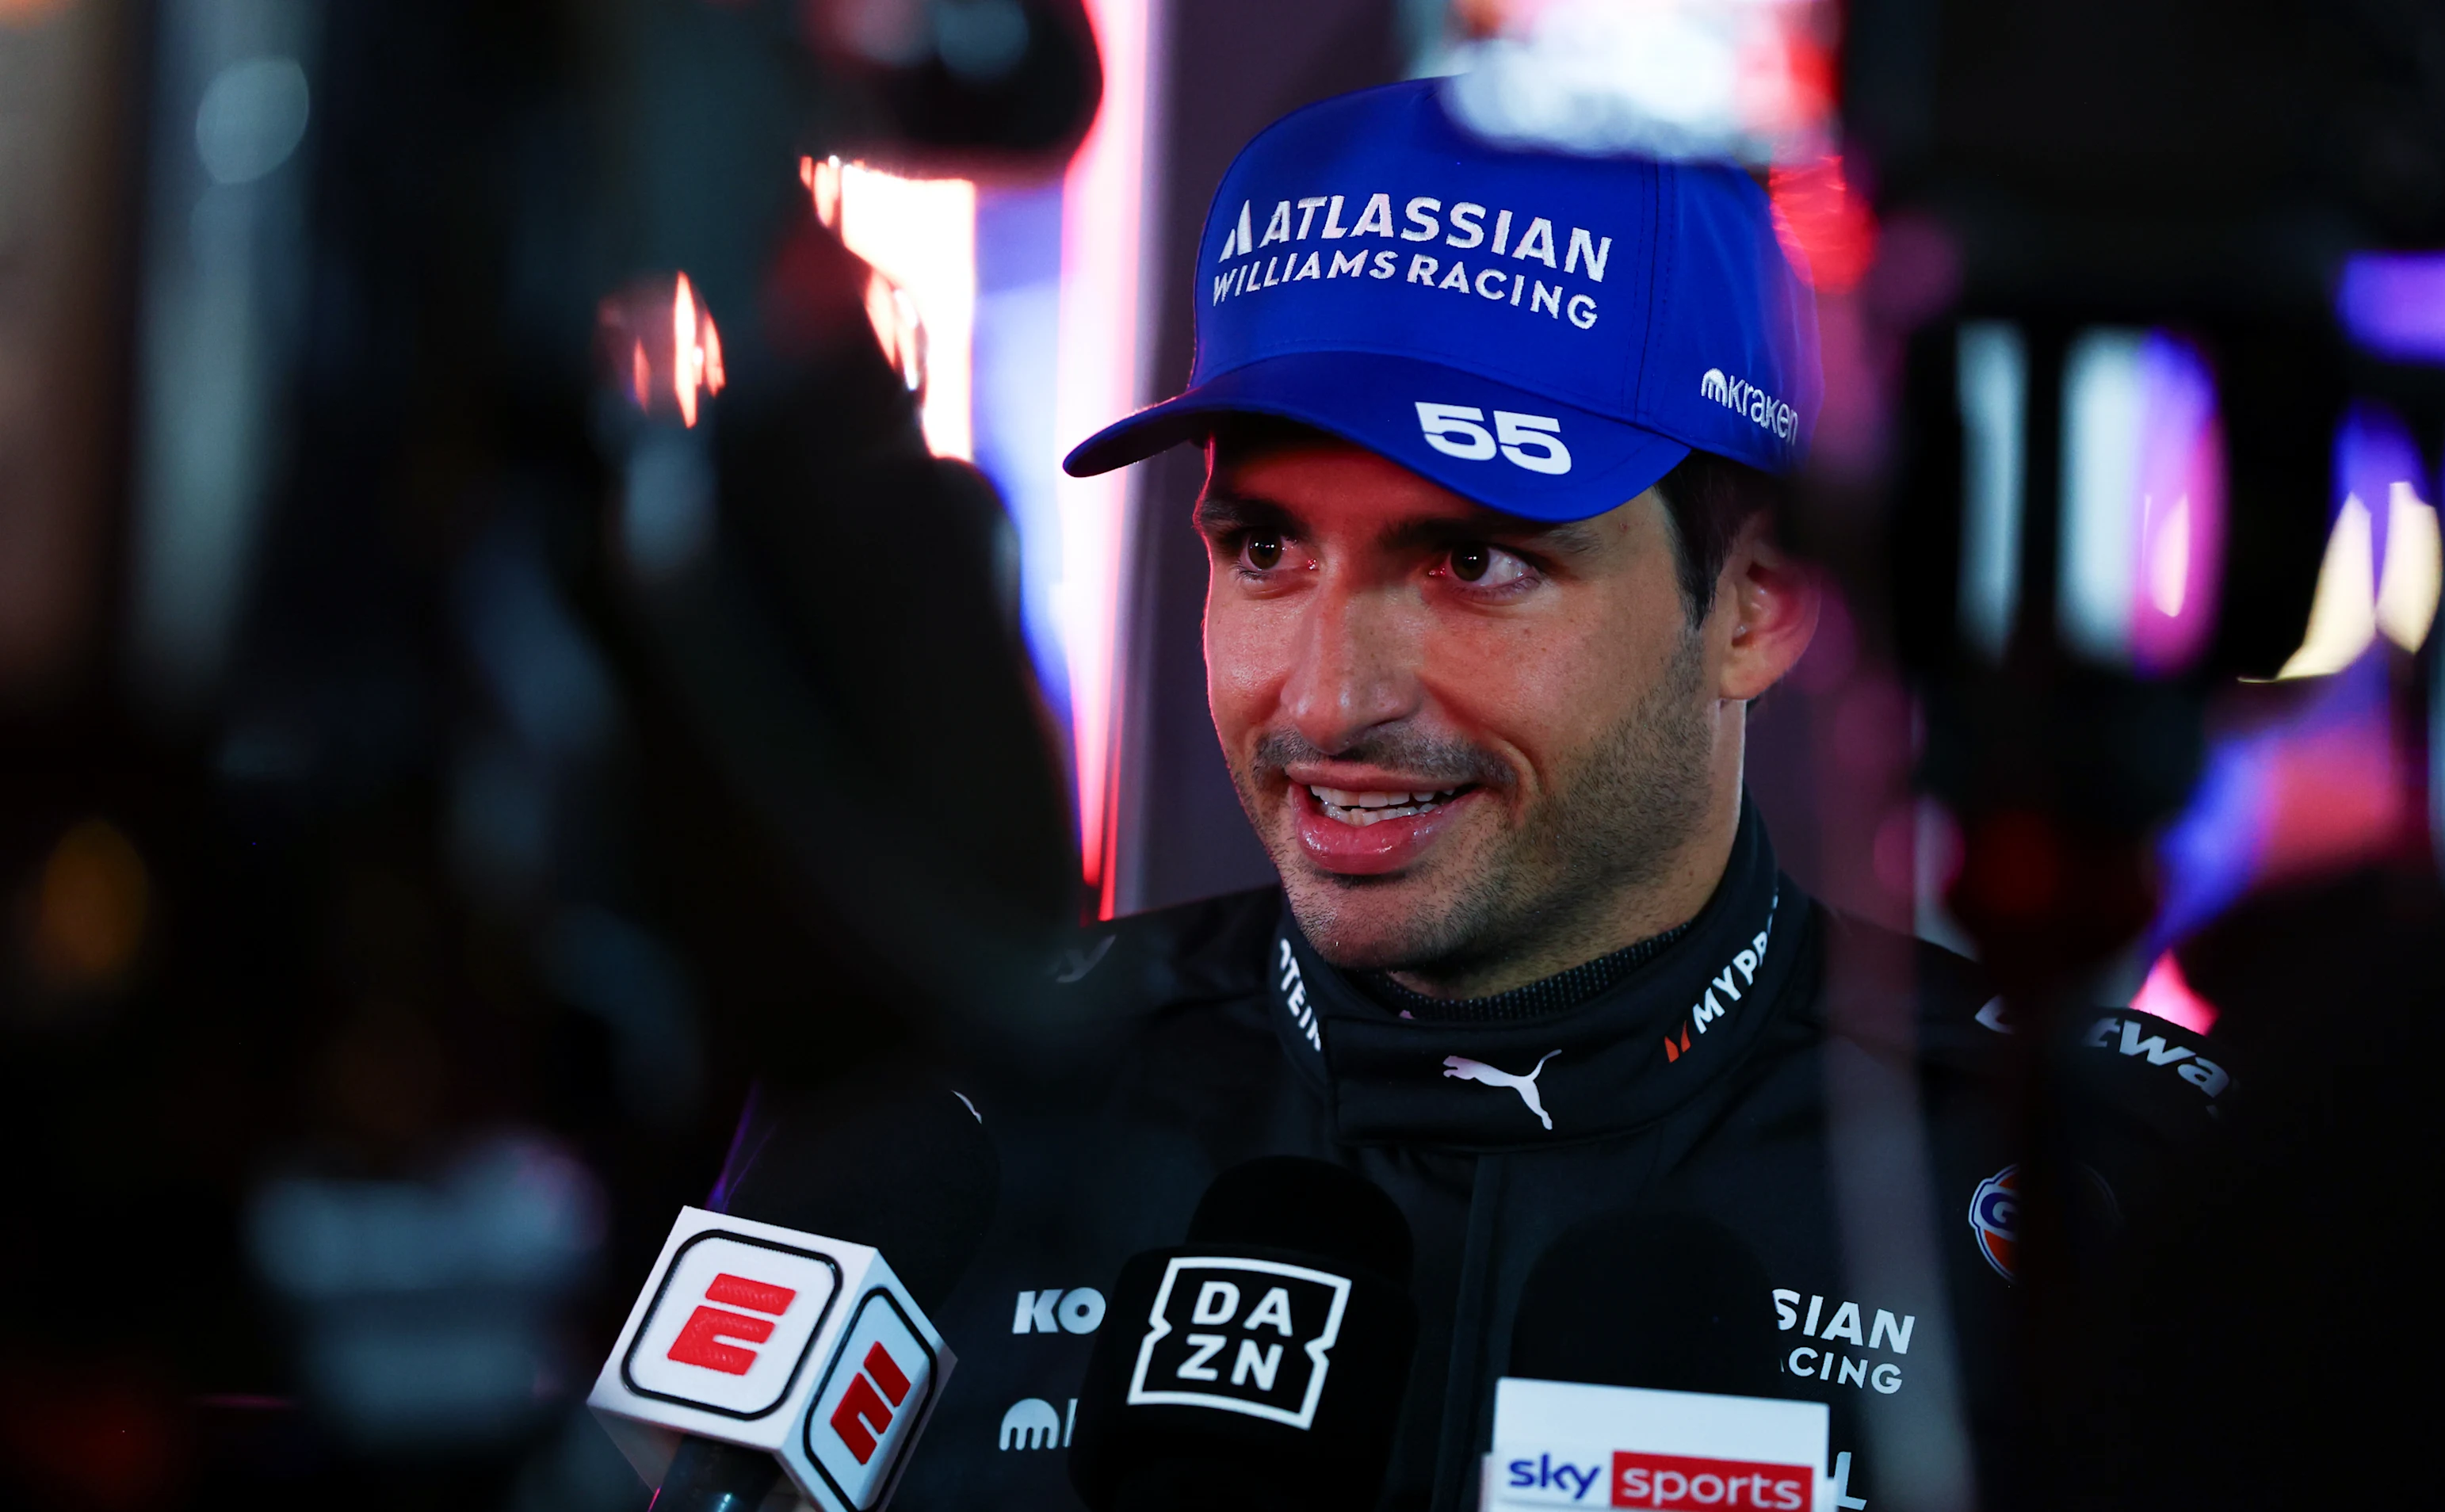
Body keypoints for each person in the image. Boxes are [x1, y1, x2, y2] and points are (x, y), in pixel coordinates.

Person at [781, 78, 2221, 1512]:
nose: (1329, 701)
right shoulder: (938, 1118)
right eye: (1265, 549)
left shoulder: (2091, 1194)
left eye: (1473, 563)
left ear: (1759, 606)